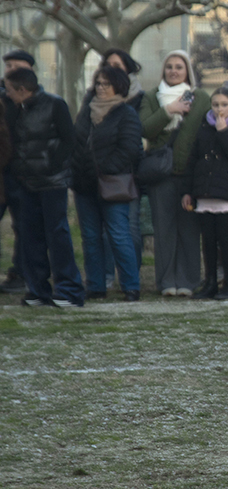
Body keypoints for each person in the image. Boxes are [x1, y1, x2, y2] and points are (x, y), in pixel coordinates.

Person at [6, 67, 86, 308]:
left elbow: (69, 139)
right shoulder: (16, 108)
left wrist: (52, 166)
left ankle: (69, 289)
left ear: (22, 90)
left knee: (57, 233)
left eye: (10, 90)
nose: (7, 94)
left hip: (52, 182)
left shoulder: (54, 104)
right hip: (26, 182)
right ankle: (38, 289)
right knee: (30, 237)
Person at [141, 50, 210, 298]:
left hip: (190, 175)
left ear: (187, 71)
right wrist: (169, 109)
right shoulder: (151, 97)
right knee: (164, 230)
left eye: (179, 67)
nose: (173, 71)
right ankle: (166, 281)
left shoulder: (200, 97)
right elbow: (146, 128)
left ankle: (189, 280)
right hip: (162, 174)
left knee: (190, 230)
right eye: (169, 66)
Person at [71, 65, 143, 302]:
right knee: (90, 237)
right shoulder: (86, 111)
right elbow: (77, 142)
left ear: (118, 87)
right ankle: (96, 285)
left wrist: (103, 169)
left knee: (118, 235)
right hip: (84, 185)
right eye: (98, 83)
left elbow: (130, 150)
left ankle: (131, 286)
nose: (100, 88)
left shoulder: (126, 113)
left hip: (112, 185)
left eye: (106, 84)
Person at [183, 88, 228, 301]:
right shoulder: (205, 126)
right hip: (206, 192)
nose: (219, 109)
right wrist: (188, 191)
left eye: (224, 104)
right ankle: (211, 281)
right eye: (215, 105)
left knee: (226, 239)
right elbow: (194, 159)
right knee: (208, 240)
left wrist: (224, 131)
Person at [0, 48, 35, 295]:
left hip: (24, 172)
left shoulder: (39, 99)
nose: (11, 70)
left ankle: (20, 273)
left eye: (16, 66)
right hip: (2, 170)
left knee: (24, 225)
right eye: (8, 66)